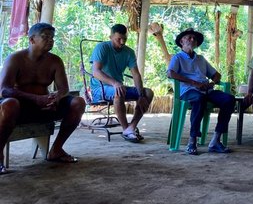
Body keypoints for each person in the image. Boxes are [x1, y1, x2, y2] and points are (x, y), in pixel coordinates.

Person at [0, 23, 86, 174]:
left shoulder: (55, 61)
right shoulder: (15, 59)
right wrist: (35, 98)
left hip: (45, 107)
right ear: (32, 39)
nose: (50, 41)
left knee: (78, 102)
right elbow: (4, 90)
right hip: (20, 109)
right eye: (45, 37)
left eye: (52, 37)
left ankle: (56, 150)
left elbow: (64, 89)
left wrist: (56, 98)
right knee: (9, 105)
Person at [167, 28, 235, 155]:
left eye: (194, 38)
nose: (192, 40)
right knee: (199, 99)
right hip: (188, 91)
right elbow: (170, 73)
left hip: (205, 90)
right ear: (181, 41)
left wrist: (212, 83)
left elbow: (216, 74)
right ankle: (192, 140)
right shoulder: (177, 58)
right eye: (189, 37)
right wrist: (194, 83)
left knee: (229, 99)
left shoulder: (201, 59)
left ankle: (215, 140)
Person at [90, 24, 154, 143]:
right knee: (118, 91)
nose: (122, 42)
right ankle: (126, 130)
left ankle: (132, 127)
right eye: (118, 39)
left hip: (119, 87)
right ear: (110, 37)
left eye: (125, 39)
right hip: (100, 88)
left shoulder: (129, 52)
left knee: (148, 93)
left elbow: (136, 74)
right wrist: (115, 83)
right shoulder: (102, 47)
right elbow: (96, 72)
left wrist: (141, 96)